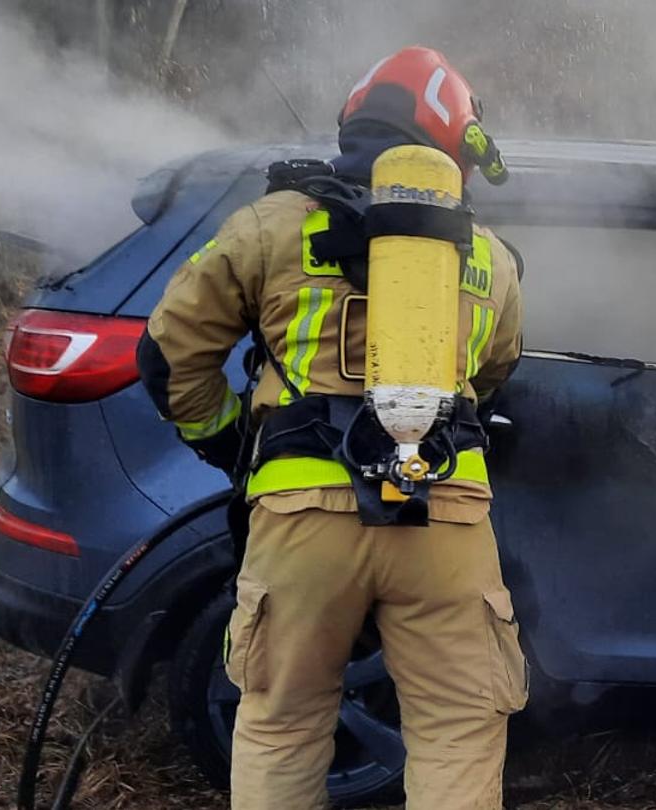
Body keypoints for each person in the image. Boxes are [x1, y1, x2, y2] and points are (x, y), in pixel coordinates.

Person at [136, 46, 527, 808]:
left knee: (282, 723)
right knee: (457, 730)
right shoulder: (489, 256)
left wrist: (232, 445)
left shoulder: (268, 225)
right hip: (443, 518)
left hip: (301, 521)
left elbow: (168, 356)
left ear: (356, 123)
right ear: (456, 140)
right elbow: (493, 374)